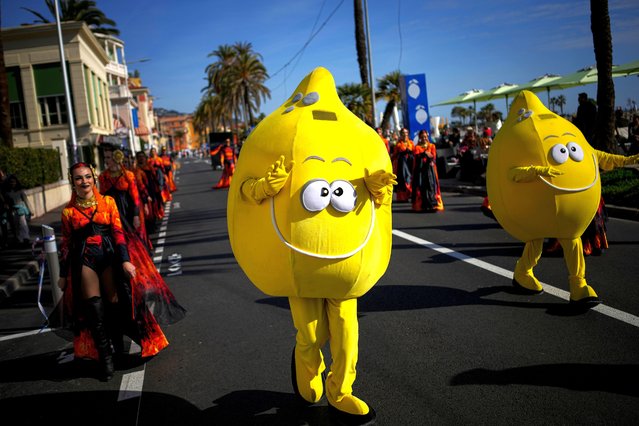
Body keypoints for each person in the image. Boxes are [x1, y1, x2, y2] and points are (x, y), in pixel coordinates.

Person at [56, 163, 184, 382]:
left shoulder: (108, 203)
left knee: (115, 305)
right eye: (79, 178)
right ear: (72, 181)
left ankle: (118, 349)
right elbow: (66, 244)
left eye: (88, 177)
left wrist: (125, 261)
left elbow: (118, 233)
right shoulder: (68, 212)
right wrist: (62, 274)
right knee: (95, 310)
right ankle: (106, 360)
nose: (84, 181)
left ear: (94, 178)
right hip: (84, 260)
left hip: (109, 257)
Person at [99, 145, 151, 250]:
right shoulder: (103, 176)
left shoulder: (128, 175)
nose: (106, 160)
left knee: (133, 242)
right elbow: (102, 198)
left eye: (108, 157)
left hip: (127, 211)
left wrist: (136, 216)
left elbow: (135, 197)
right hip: (112, 213)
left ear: (116, 157)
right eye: (105, 157)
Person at [411, 130, 444, 212]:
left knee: (432, 185)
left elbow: (433, 156)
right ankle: (421, 205)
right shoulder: (417, 147)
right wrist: (425, 153)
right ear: (419, 138)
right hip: (420, 170)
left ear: (427, 136)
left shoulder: (432, 146)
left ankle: (433, 204)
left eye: (425, 136)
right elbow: (417, 156)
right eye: (422, 137)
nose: (424, 138)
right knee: (421, 185)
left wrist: (425, 154)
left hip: (431, 169)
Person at [2, 174, 32, 247]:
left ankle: (26, 238)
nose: (12, 183)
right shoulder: (7, 193)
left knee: (23, 224)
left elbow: (26, 200)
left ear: (16, 182)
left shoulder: (20, 191)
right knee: (15, 226)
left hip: (21, 210)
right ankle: (20, 240)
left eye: (14, 182)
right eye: (11, 182)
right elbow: (6, 203)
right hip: (12, 211)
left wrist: (31, 210)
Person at [391, 127, 414, 201]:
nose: (405, 134)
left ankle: (410, 193)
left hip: (410, 163)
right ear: (401, 134)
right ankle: (402, 197)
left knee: (411, 178)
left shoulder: (411, 143)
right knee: (402, 180)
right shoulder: (398, 144)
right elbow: (394, 155)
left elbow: (415, 152)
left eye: (406, 132)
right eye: (403, 133)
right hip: (402, 165)